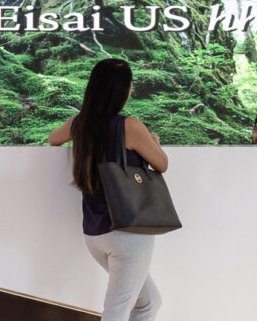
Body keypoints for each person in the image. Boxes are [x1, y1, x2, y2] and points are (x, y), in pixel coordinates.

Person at [48, 58, 167, 321]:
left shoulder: (79, 123)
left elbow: (53, 139)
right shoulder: (131, 126)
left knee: (149, 302)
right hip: (128, 231)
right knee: (117, 312)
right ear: (122, 91)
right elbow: (162, 164)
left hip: (95, 234)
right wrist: (154, 140)